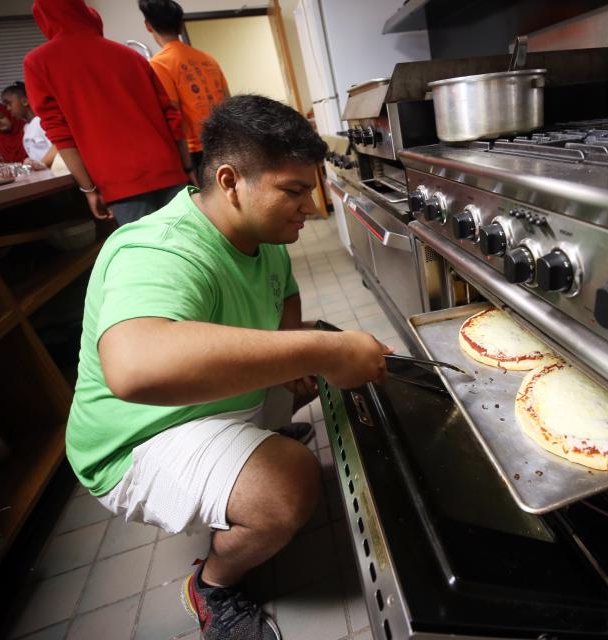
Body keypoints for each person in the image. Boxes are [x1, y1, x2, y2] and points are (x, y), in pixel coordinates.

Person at [66, 94, 390, 640]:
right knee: (289, 481)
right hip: (138, 436)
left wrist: (302, 349)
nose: (308, 209)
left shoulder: (266, 239)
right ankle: (213, 585)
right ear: (230, 180)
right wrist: (320, 351)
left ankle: (249, 438)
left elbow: (285, 311)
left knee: (319, 361)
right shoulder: (158, 249)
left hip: (211, 405)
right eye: (292, 192)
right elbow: (134, 367)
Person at [23, 0, 194, 226]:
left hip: (120, 182)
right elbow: (171, 117)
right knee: (195, 246)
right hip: (169, 170)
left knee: (149, 254)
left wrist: (89, 190)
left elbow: (60, 134)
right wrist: (188, 168)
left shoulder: (38, 62)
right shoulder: (131, 56)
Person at [139, 0, 230, 175]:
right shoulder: (208, 58)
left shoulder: (159, 64)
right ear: (181, 26)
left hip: (196, 151)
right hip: (224, 142)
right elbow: (228, 102)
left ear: (148, 26)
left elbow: (174, 116)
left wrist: (187, 168)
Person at [0, 82, 56, 169]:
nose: (8, 108)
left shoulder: (43, 121)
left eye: (9, 103)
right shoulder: (26, 127)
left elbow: (57, 146)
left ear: (25, 101)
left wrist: (41, 163)